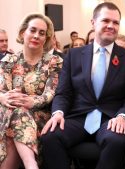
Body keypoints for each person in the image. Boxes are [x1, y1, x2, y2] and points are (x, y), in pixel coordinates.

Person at [41, 2, 125, 169]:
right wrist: (58, 113)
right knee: (50, 136)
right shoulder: (73, 55)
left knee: (116, 140)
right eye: (106, 20)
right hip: (79, 116)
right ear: (93, 23)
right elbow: (63, 92)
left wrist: (123, 116)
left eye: (115, 22)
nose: (111, 26)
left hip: (111, 118)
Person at [0, 13, 62, 169]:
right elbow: (4, 91)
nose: (36, 36)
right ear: (23, 33)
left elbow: (50, 93)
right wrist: (2, 98)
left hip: (40, 114)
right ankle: (31, 165)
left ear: (46, 38)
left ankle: (30, 164)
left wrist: (32, 101)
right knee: (15, 113)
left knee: (13, 124)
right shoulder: (9, 61)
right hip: (11, 111)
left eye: (42, 33)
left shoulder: (54, 62)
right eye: (32, 30)